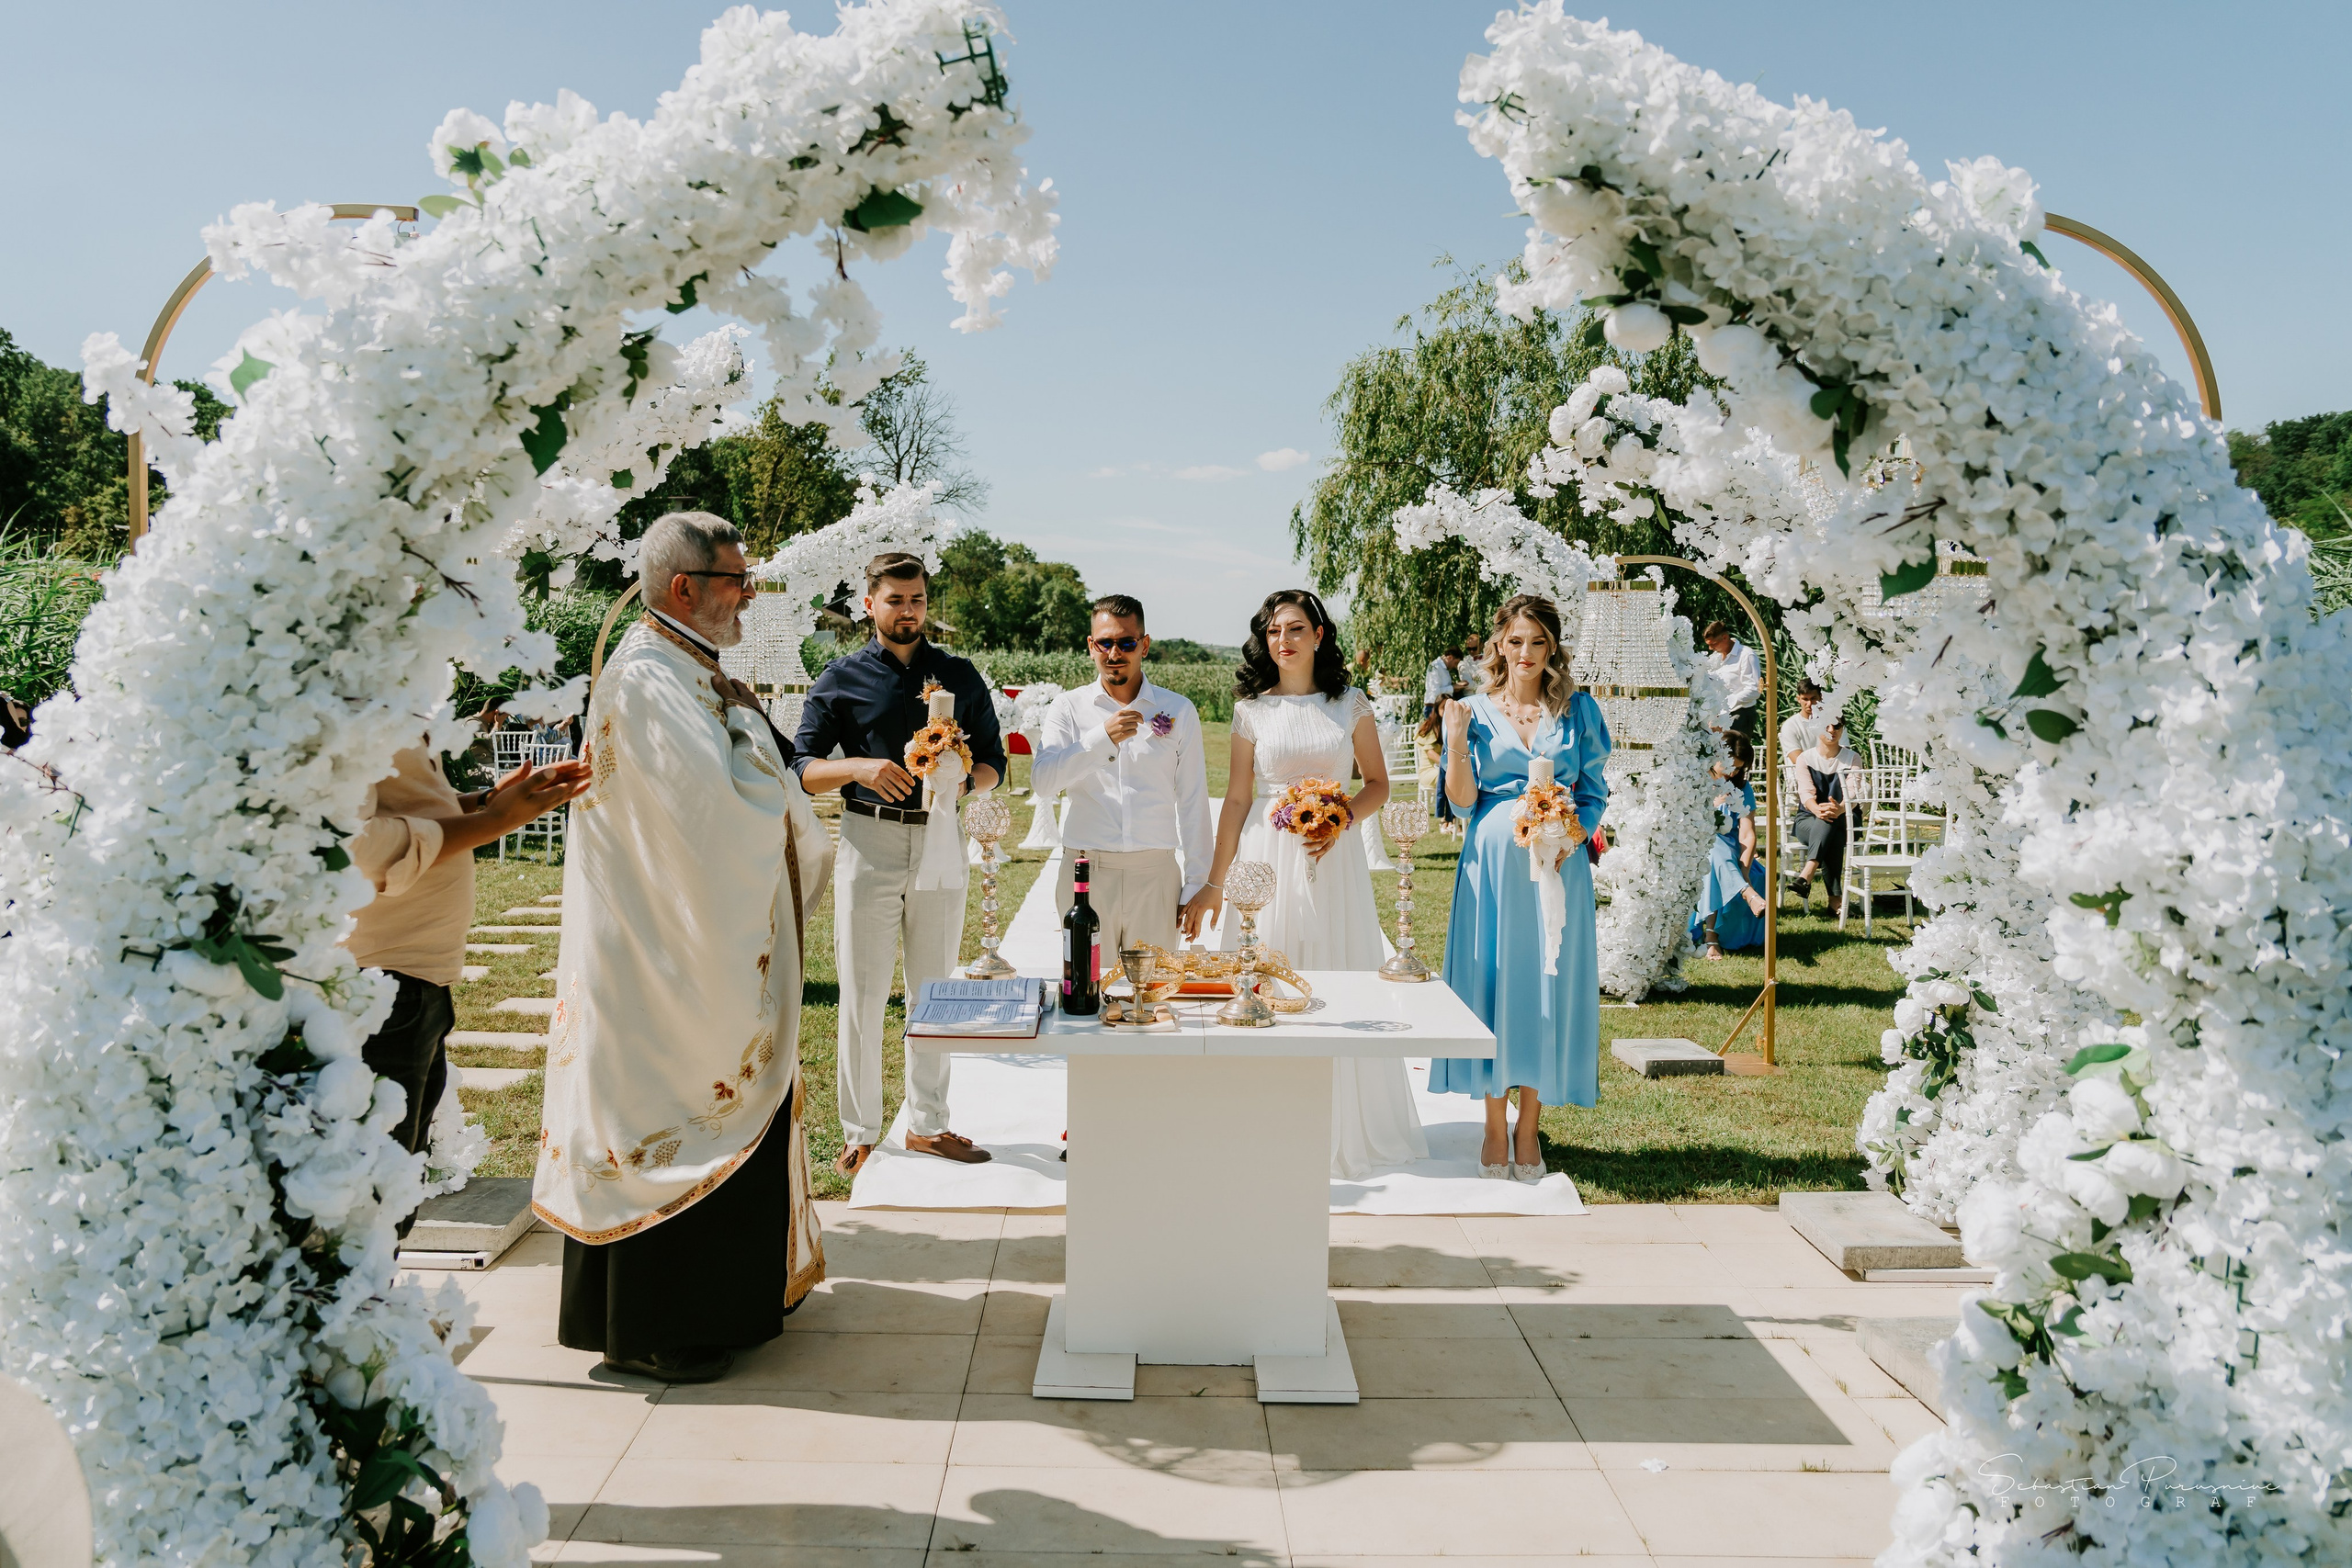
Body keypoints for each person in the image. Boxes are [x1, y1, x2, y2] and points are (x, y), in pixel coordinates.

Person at [536, 511, 833, 1384]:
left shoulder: (686, 666)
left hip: (684, 943)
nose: (748, 597)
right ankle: (662, 1321)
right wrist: (754, 739)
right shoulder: (648, 677)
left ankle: (727, 1301)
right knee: (670, 1104)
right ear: (683, 589)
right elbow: (713, 818)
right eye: (736, 582)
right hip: (664, 954)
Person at [1192, 590, 1426, 1179]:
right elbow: (1240, 798)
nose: (1283, 640)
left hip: (1333, 853)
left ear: (1319, 635)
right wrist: (1217, 883)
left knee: (1333, 972)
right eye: (1273, 630)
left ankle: (1340, 1126)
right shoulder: (1251, 710)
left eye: (1296, 628)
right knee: (1266, 972)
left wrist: (1342, 817)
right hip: (1266, 855)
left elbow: (1376, 784)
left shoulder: (1350, 703)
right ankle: (1263, 1125)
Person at [795, 550, 1005, 1177]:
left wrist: (961, 784)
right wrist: (858, 767)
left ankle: (928, 1125)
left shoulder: (961, 675)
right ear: (869, 604)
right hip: (869, 840)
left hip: (941, 839)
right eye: (895, 600)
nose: (908, 611)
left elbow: (995, 761)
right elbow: (802, 768)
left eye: (916, 600)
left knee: (934, 989)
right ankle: (860, 1132)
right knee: (862, 990)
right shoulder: (839, 677)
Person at [349, 741, 588, 1233]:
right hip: (376, 986)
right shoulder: (347, 695)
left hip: (417, 983)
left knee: (394, 1193)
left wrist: (483, 802)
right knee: (371, 1206)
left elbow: (404, 806)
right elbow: (351, 846)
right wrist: (492, 823)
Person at [1428, 595, 1611, 1181]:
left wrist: (1568, 834)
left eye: (1536, 641)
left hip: (1559, 868)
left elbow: (1595, 791)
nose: (1525, 653)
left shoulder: (1580, 711)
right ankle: (1491, 1125)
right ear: (1498, 646)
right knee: (1494, 981)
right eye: (1514, 641)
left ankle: (1528, 1126)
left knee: (1545, 985)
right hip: (1493, 869)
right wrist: (1455, 737)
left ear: (1552, 645)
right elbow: (1460, 802)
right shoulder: (1474, 711)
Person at [1033, 594, 1215, 953]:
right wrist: (1101, 739)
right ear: (1091, 646)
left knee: (1154, 997)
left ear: (1144, 645)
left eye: (1126, 642)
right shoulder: (1067, 708)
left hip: (1156, 875)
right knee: (1086, 993)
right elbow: (1043, 782)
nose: (1114, 653)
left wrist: (1197, 882)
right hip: (1085, 873)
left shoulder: (1178, 709)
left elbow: (1193, 800)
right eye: (1105, 643)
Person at [1689, 732, 1770, 958]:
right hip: (1696, 848)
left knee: (1718, 854)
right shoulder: (1695, 781)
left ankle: (1713, 936)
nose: (1733, 773)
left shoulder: (1742, 788)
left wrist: (1744, 871)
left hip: (1733, 854)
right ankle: (1745, 895)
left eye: (1738, 769)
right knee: (1714, 850)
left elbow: (1747, 832)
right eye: (1729, 766)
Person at [1791, 719, 1864, 905]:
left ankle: (1807, 872)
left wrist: (1839, 809)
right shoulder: (1805, 758)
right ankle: (1835, 901)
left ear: (1843, 728)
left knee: (1829, 823)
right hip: (1808, 819)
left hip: (1846, 817)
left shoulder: (1853, 758)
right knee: (1832, 831)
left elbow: (1853, 790)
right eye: (1826, 726)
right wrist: (1818, 810)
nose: (1832, 730)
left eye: (1837, 726)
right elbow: (1806, 792)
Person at [1702, 621, 1760, 739]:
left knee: (1735, 756)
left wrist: (1729, 702)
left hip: (1740, 714)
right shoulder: (1716, 657)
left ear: (1725, 637)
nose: (1710, 648)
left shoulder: (1746, 655)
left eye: (1714, 644)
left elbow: (1754, 690)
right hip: (1718, 716)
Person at [1778, 680, 1830, 770]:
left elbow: (1844, 751)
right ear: (1798, 699)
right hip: (1803, 775)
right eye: (1805, 699)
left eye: (1813, 698)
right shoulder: (1790, 725)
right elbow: (1797, 760)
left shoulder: (1832, 722)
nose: (1809, 704)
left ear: (1820, 697)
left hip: (1831, 772)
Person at [1421, 645, 1464, 721]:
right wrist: (1454, 687)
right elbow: (1435, 691)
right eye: (1455, 663)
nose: (1455, 666)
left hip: (1442, 707)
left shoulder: (1444, 669)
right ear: (1450, 657)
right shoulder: (1435, 667)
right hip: (1433, 707)